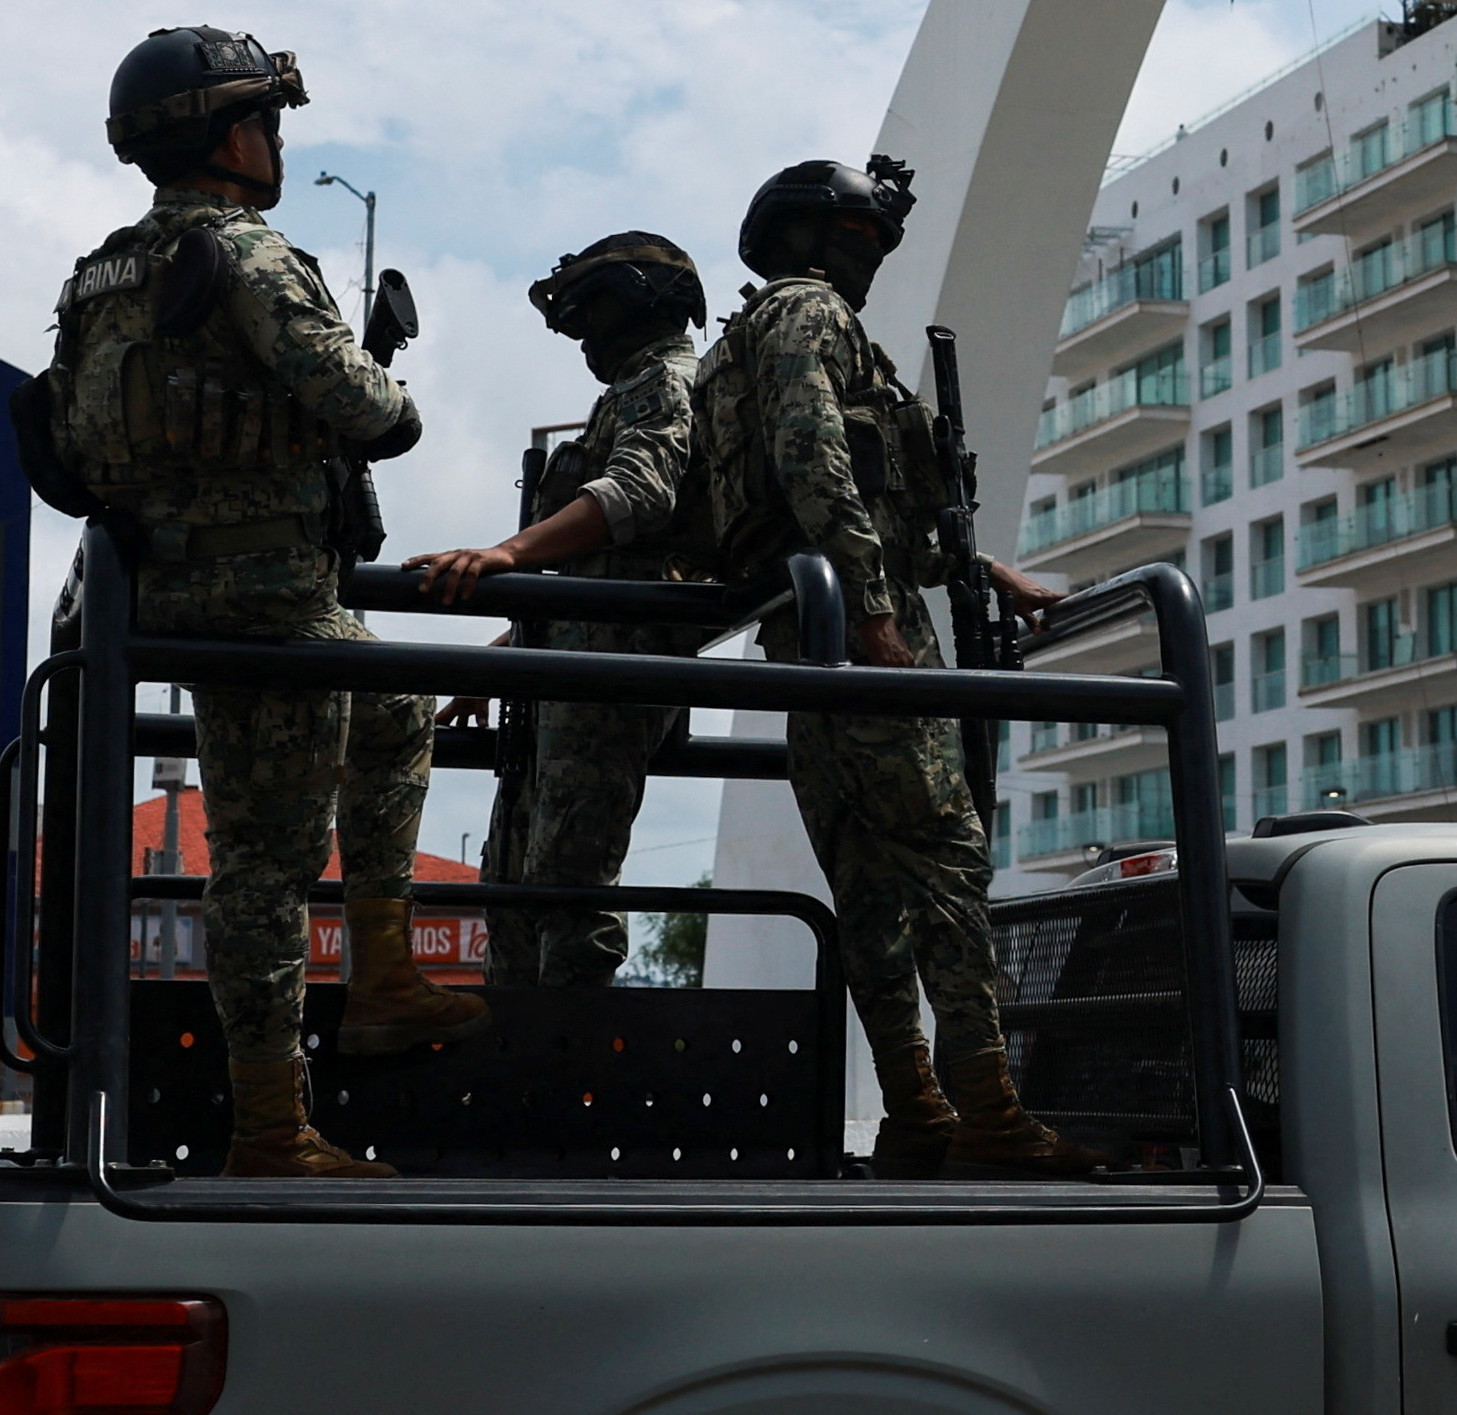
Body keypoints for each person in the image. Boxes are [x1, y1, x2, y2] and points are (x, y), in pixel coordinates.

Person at [38, 25, 469, 1181]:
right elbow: (371, 408)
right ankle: (274, 1129)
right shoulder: (249, 253)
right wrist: (379, 392)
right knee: (265, 869)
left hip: (159, 589)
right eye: (269, 123)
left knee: (393, 715)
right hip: (266, 597)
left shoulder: (98, 276)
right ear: (230, 135)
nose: (277, 144)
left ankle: (380, 973)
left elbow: (72, 445)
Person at [684, 155, 1081, 1174]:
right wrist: (873, 616)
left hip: (807, 631)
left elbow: (865, 490)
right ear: (822, 239)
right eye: (864, 239)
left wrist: (987, 571)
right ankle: (987, 1111)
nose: (872, 260)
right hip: (863, 626)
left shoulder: (743, 339)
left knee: (866, 883)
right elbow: (818, 457)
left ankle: (917, 1110)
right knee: (946, 863)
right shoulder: (812, 316)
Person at [408, 233, 711, 985]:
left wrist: (507, 554)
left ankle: (570, 1076)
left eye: (596, 308)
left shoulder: (665, 381)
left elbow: (638, 495)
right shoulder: (633, 387)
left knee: (568, 881)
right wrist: (512, 653)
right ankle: (518, 1061)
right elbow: (598, 564)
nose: (585, 333)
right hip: (570, 670)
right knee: (515, 881)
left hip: (610, 674)